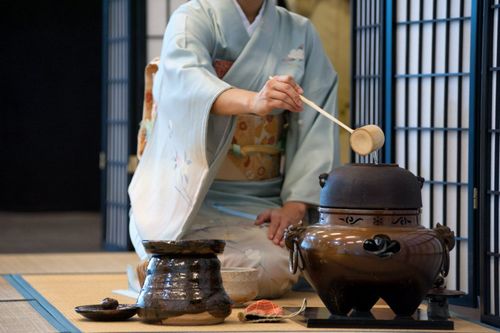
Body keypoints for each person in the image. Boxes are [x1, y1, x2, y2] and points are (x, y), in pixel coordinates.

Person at [129, 0, 340, 298]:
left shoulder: (300, 32)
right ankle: (166, 267)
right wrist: (254, 102)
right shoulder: (192, 18)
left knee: (272, 267)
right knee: (175, 246)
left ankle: (165, 276)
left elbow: (316, 122)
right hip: (183, 199)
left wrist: (294, 206)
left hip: (257, 206)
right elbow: (185, 83)